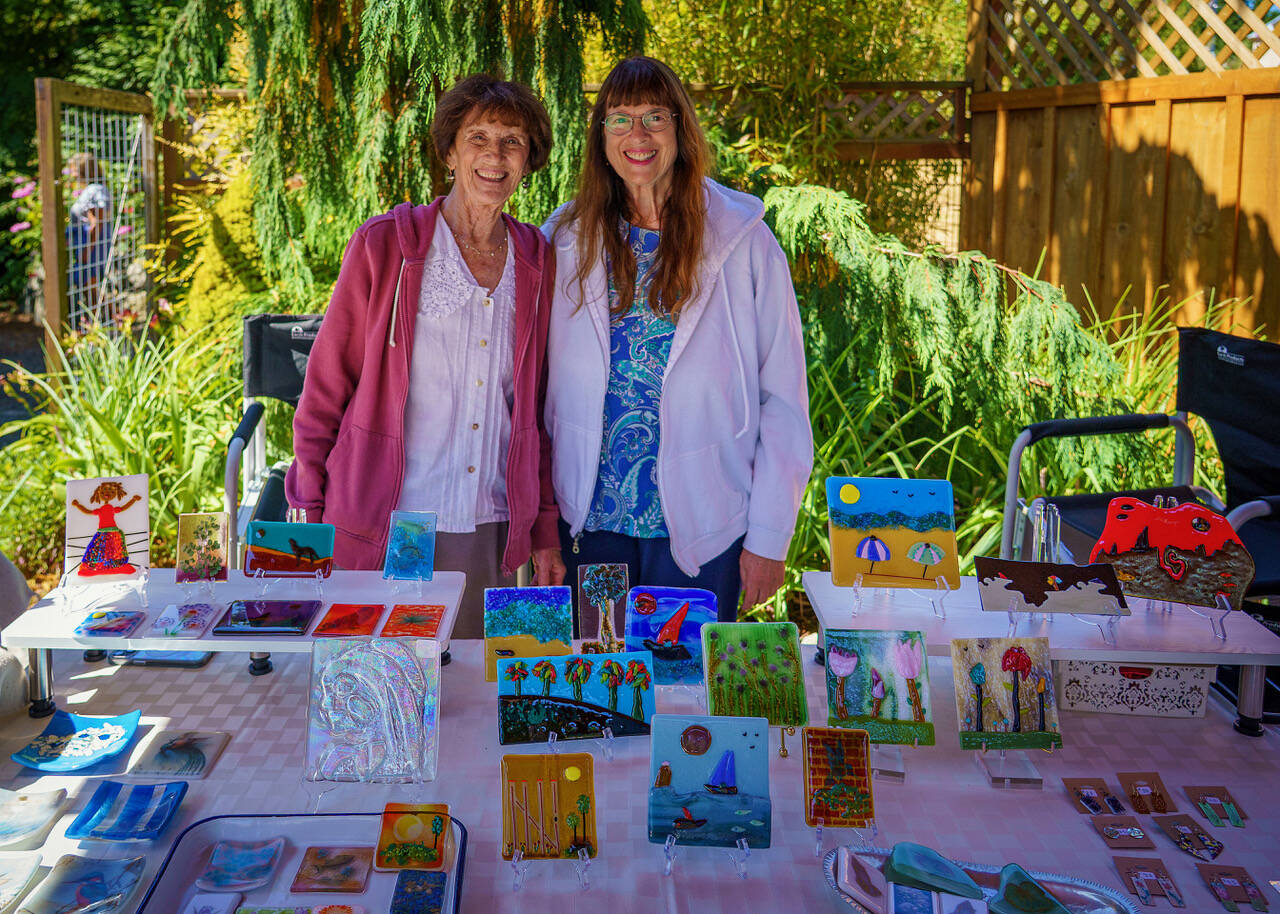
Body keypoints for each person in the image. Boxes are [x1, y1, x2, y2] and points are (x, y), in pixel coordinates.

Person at [286, 75, 566, 635]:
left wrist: (543, 530)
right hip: (386, 522)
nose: (495, 155)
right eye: (478, 138)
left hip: (488, 526)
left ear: (528, 161)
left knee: (477, 683)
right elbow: (326, 387)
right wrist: (308, 511)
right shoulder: (385, 245)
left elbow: (534, 410)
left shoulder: (537, 258)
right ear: (450, 153)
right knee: (375, 678)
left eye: (512, 142)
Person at [544, 56, 813, 621]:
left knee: (683, 674)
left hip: (703, 527)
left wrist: (769, 538)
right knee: (597, 672)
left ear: (681, 128)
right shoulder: (566, 238)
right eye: (620, 119)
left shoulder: (743, 239)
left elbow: (783, 399)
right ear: (601, 137)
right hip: (589, 523)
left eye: (654, 117)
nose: (637, 135)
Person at [65, 152, 113, 324]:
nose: (72, 174)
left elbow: (96, 223)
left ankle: (101, 323)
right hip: (88, 245)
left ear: (84, 170)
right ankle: (105, 321)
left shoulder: (95, 189)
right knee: (88, 286)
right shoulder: (92, 189)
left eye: (74, 170)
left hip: (91, 246)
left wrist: (86, 251)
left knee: (89, 286)